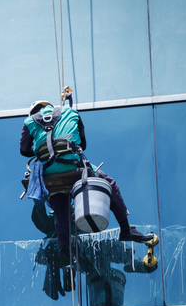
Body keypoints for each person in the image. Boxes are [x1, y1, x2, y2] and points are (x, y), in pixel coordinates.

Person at [20, 99, 154, 265]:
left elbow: (24, 150)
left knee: (58, 201)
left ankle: (64, 251)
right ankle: (126, 230)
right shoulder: (70, 112)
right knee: (110, 184)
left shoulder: (29, 121)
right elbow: (82, 143)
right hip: (72, 164)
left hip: (48, 171)